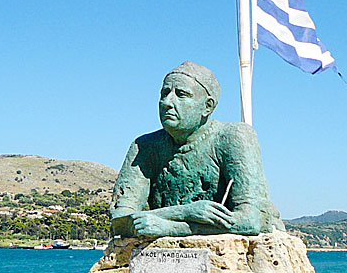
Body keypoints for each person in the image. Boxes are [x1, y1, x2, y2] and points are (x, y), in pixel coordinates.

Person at [110, 61, 282, 237]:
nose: (167, 102)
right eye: (164, 93)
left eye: (181, 95)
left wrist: (170, 228)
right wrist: (185, 212)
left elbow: (251, 221)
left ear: (207, 106)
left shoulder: (234, 137)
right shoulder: (144, 147)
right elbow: (119, 221)